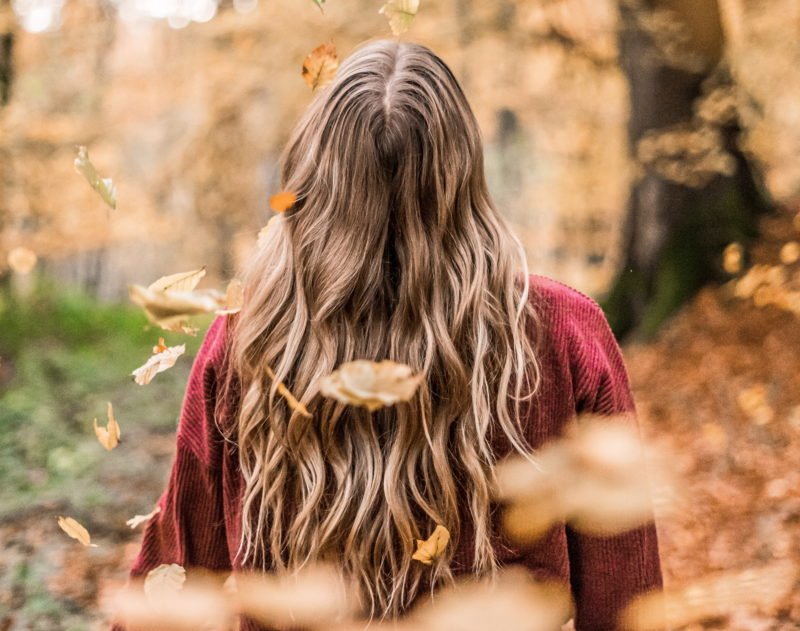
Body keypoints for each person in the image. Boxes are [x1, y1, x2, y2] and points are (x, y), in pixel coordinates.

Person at [113, 39, 662, 631]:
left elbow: (179, 577)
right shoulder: (561, 331)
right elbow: (625, 596)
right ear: (464, 177)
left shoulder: (248, 339)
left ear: (314, 181)